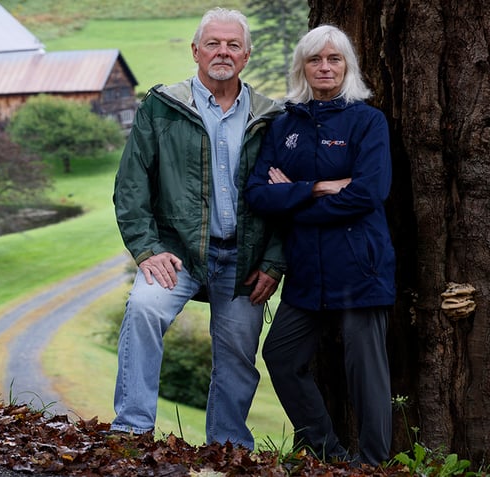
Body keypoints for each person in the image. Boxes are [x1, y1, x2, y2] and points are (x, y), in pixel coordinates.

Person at [110, 7, 285, 450]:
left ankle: (226, 447)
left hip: (244, 258)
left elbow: (287, 201)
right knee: (144, 309)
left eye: (232, 45)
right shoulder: (163, 107)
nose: (222, 52)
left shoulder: (272, 118)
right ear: (195, 51)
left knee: (239, 354)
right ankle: (132, 431)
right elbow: (130, 187)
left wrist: (272, 261)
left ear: (246, 56)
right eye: (213, 43)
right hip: (178, 253)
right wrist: (148, 250)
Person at [244, 25, 395, 465]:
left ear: (347, 66)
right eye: (315, 60)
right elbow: (257, 193)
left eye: (334, 59)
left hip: (359, 264)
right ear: (302, 67)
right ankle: (327, 452)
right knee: (280, 353)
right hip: (307, 268)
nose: (324, 67)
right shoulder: (284, 124)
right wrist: (319, 188)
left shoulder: (368, 120)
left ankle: (371, 463)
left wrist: (292, 198)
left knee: (364, 371)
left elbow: (368, 193)